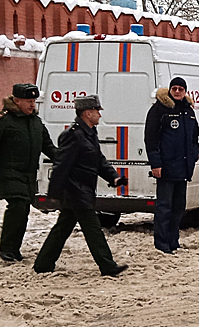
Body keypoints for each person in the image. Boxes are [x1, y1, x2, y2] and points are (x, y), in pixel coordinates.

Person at [33, 95, 128, 276]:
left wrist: (114, 177)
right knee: (93, 230)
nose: (100, 115)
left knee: (62, 228)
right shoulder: (73, 135)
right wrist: (54, 193)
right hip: (76, 191)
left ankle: (43, 263)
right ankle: (107, 266)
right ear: (87, 113)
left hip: (83, 189)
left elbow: (98, 160)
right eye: (97, 111)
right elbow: (61, 165)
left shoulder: (89, 133)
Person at [0, 83, 57, 263]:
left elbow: (48, 146)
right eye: (28, 101)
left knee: (23, 210)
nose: (33, 105)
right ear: (16, 101)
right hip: (8, 172)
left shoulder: (36, 122)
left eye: (34, 101)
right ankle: (7, 249)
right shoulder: (4, 121)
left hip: (29, 174)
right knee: (18, 205)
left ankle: (14, 249)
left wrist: (65, 160)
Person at [145, 78, 199, 254]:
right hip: (166, 167)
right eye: (174, 88)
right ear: (169, 90)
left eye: (181, 89)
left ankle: (173, 241)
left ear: (185, 91)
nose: (177, 91)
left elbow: (194, 137)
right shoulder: (159, 110)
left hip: (183, 168)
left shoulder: (188, 111)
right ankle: (161, 244)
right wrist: (156, 164)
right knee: (164, 207)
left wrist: (193, 155)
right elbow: (151, 139)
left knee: (178, 207)